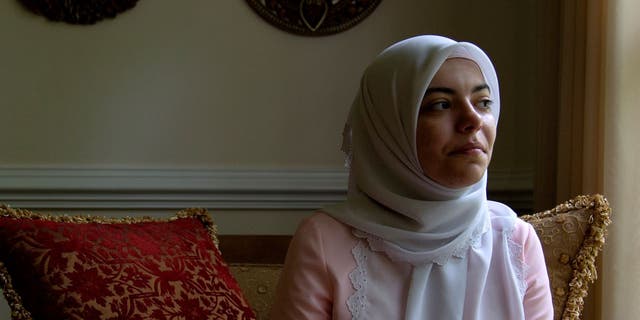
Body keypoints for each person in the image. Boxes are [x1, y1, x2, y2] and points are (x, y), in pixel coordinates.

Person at [270, 35, 553, 319]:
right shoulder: (325, 240)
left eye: (483, 102)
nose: (473, 119)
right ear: (388, 128)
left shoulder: (515, 241)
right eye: (441, 104)